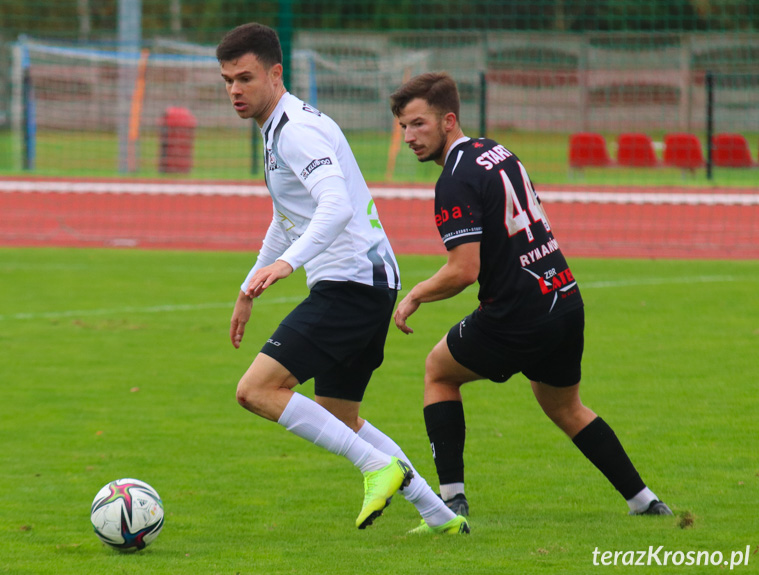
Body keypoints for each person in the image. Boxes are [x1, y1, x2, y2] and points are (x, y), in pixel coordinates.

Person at [217, 23, 469, 534]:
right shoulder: (279, 128)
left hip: (352, 284)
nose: (235, 91)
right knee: (339, 413)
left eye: (245, 78)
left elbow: (333, 205)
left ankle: (378, 467)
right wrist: (249, 287)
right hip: (364, 283)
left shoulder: (297, 130)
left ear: (275, 73)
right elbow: (289, 216)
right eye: (227, 81)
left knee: (256, 390)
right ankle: (439, 516)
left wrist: (288, 264)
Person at [389, 72, 672, 518]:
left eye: (418, 124)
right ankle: (645, 502)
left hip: (517, 314)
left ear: (448, 121)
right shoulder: (495, 150)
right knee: (565, 406)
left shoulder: (454, 180)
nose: (408, 136)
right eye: (403, 126)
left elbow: (464, 271)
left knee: (438, 372)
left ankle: (450, 503)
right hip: (564, 297)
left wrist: (415, 295)